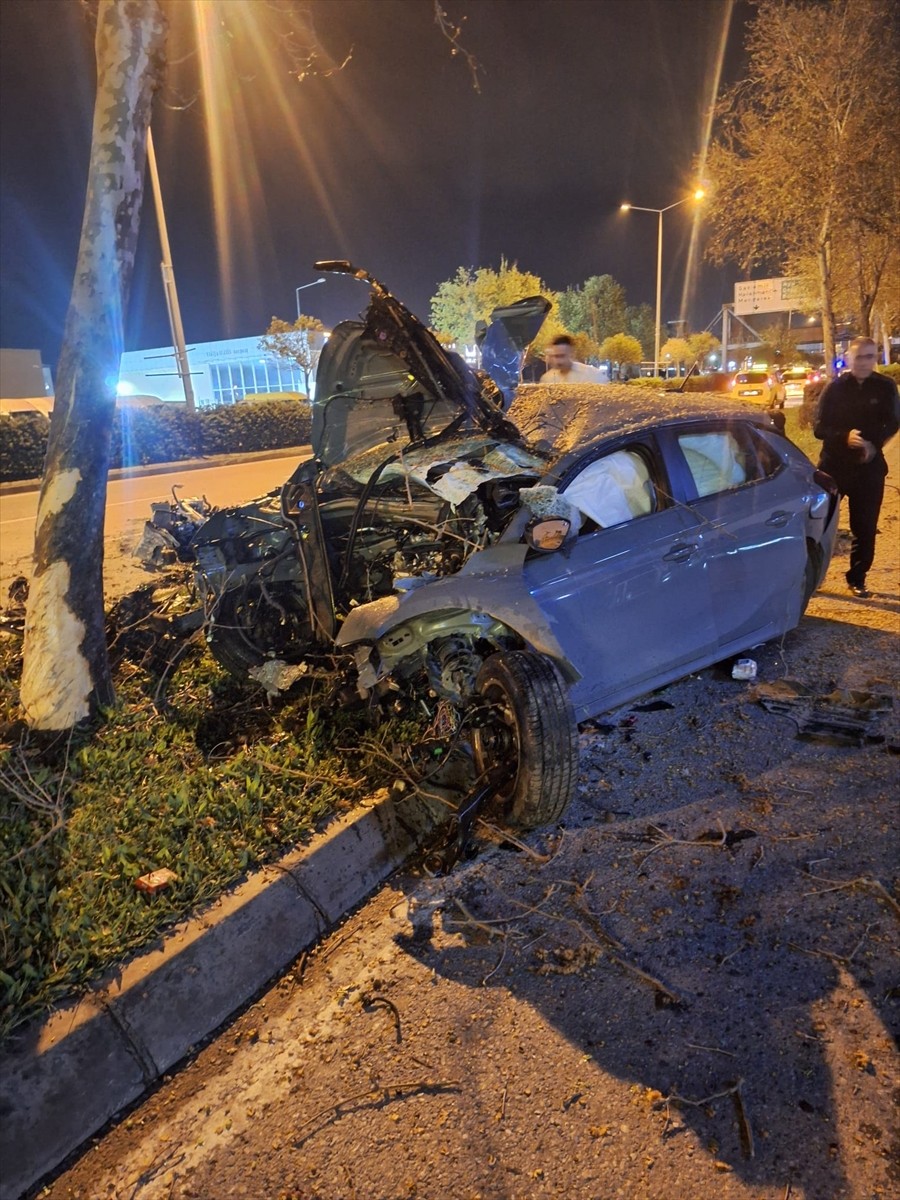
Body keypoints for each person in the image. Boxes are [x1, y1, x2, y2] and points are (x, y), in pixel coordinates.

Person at [814, 336, 899, 598]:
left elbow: (893, 422)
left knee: (864, 527)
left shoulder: (886, 387)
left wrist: (873, 445)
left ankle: (857, 578)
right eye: (859, 356)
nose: (864, 362)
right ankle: (812, 577)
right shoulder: (834, 388)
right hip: (833, 468)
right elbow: (819, 428)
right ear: (848, 358)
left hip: (869, 469)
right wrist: (844, 436)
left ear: (876, 358)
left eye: (870, 356)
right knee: (820, 525)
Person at [542, 334, 606, 384]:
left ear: (571, 354)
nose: (559, 361)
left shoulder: (592, 375)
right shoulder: (547, 379)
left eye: (562, 356)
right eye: (556, 356)